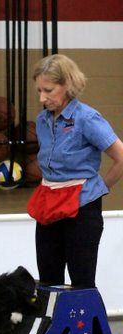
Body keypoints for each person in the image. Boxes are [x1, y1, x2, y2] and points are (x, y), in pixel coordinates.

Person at [28, 53, 123, 288]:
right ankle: (53, 326)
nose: (42, 98)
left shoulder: (87, 118)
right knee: (48, 281)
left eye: (48, 90)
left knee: (82, 282)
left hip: (81, 208)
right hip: (49, 203)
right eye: (39, 90)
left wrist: (99, 189)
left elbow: (121, 157)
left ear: (67, 85)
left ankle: (93, 326)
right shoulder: (42, 121)